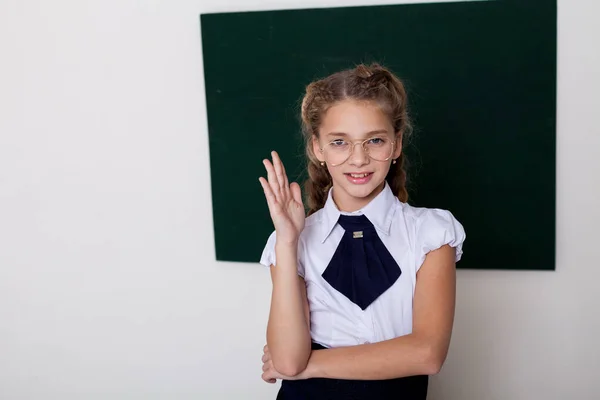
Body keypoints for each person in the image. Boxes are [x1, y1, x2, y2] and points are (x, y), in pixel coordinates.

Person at [257, 63, 466, 400]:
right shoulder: (291, 242)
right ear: (317, 148)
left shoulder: (430, 233)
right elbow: (286, 358)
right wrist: (286, 240)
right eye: (340, 142)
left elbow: (427, 354)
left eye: (375, 140)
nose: (359, 158)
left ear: (396, 145)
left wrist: (311, 364)